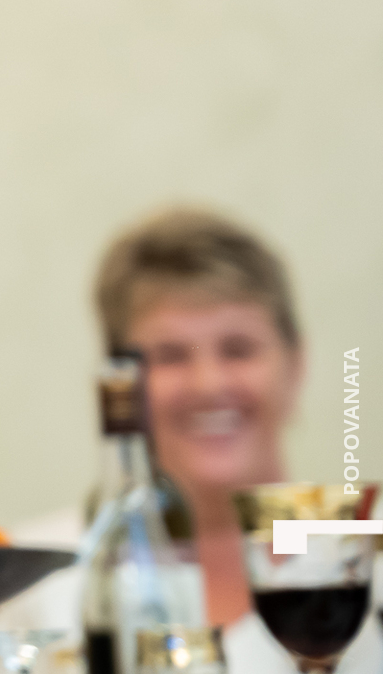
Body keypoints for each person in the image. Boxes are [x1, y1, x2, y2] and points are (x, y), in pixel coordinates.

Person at [96, 208, 378, 673]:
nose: (208, 385)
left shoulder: (371, 561)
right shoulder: (52, 581)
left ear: (295, 366)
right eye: (170, 355)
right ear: (119, 388)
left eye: (238, 349)